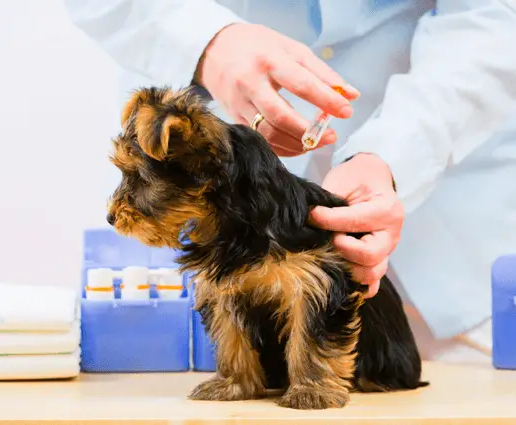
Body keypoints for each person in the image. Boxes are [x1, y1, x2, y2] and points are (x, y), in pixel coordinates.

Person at [64, 0, 516, 362]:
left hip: (452, 239)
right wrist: (205, 41)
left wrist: (399, 153)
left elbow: (494, 14)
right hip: (217, 226)